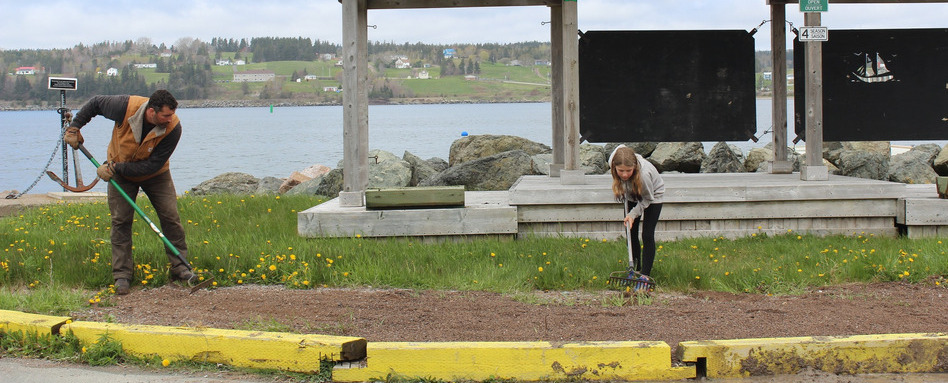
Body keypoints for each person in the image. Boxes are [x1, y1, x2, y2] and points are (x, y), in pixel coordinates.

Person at [64, 90, 192, 295]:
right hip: (120, 172)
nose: (170, 119)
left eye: (171, 115)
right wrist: (74, 128)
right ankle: (122, 276)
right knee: (121, 221)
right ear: (151, 111)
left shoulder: (174, 128)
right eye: (165, 116)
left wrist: (115, 168)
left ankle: (181, 268)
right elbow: (95, 102)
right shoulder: (124, 106)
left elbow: (151, 166)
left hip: (155, 173)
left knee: (171, 217)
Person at [608, 144, 665, 290]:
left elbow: (647, 199)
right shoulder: (613, 160)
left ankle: (645, 275)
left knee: (647, 234)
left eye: (628, 171)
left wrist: (633, 214)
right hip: (631, 192)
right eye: (621, 171)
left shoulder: (644, 175)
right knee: (630, 232)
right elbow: (621, 146)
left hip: (652, 195)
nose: (625, 174)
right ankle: (635, 270)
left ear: (634, 167)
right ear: (614, 167)